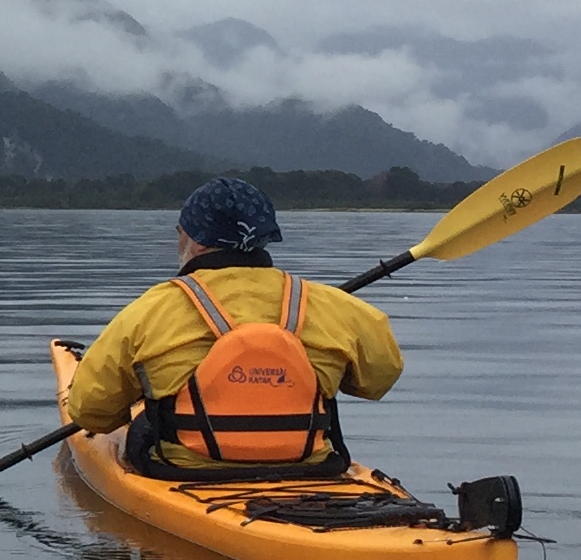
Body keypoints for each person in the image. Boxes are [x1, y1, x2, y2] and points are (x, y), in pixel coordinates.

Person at [65, 176, 402, 471]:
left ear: (197, 242)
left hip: (185, 471)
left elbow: (91, 411)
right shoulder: (335, 306)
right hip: (310, 468)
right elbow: (377, 381)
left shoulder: (149, 310)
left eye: (180, 232)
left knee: (141, 426)